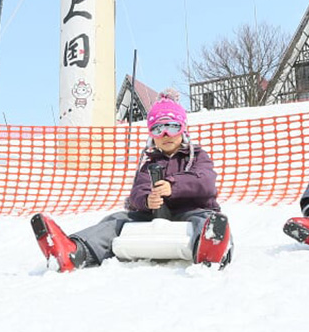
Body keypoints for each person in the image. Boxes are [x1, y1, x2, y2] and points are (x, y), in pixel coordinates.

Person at [30, 89, 232, 270]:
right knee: (116, 220)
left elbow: (205, 182)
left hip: (192, 210)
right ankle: (75, 250)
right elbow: (137, 193)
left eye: (172, 127)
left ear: (183, 129)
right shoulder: (148, 162)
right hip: (154, 214)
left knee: (207, 220)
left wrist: (173, 186)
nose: (165, 134)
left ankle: (211, 248)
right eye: (157, 129)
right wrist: (146, 200)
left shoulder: (197, 156)